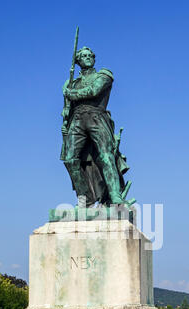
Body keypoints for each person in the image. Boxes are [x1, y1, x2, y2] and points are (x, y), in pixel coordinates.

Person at [60, 46, 131, 206]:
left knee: (106, 156)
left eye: (90, 55)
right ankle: (84, 198)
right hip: (76, 120)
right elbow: (67, 108)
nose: (87, 57)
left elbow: (94, 91)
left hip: (97, 117)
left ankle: (115, 197)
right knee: (70, 159)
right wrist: (65, 118)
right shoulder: (72, 82)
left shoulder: (104, 75)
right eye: (83, 56)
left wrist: (70, 94)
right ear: (77, 61)